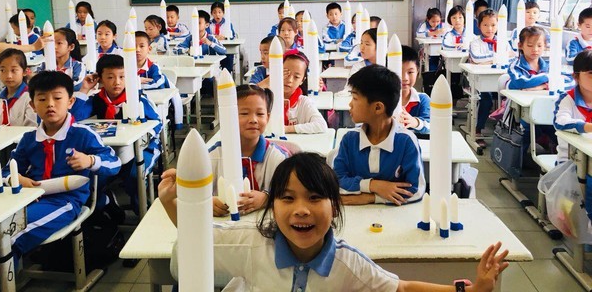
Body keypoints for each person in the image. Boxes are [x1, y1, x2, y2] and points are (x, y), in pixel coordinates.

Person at [158, 152, 509, 291]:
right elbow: (195, 242)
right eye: (287, 198)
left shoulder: (346, 264)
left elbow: (400, 289)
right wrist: (174, 204)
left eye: (314, 198)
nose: (301, 210)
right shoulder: (250, 244)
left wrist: (471, 290)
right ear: (271, 207)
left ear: (336, 208)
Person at [0, 71, 121, 292]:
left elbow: (115, 163)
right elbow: (5, 171)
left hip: (65, 202)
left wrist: (90, 160)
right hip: (28, 199)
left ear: (70, 102)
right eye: (42, 99)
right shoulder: (29, 139)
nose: (50, 104)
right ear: (32, 105)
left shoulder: (83, 134)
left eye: (57, 98)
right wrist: (16, 178)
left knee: (8, 236)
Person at [71, 54, 162, 214]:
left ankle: (142, 209)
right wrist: (84, 89)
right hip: (110, 151)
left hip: (143, 148)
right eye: (110, 77)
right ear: (100, 79)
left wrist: (139, 134)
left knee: (134, 176)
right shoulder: (97, 100)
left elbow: (157, 123)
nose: (117, 82)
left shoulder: (137, 99)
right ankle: (105, 204)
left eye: (122, 77)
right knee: (90, 179)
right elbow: (74, 118)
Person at [333, 65, 425, 205]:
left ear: (378, 107)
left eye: (355, 98)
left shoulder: (406, 141)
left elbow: (416, 190)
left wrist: (371, 198)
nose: (350, 104)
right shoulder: (349, 140)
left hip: (393, 215)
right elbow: (336, 182)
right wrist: (373, 185)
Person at [209, 84, 288, 217]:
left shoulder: (278, 158)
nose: (253, 120)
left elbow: (290, 194)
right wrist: (207, 202)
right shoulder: (214, 155)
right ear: (229, 116)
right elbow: (196, 192)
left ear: (268, 117)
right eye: (244, 113)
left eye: (260, 114)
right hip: (224, 225)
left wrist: (267, 198)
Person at [274, 50, 327, 134]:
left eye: (296, 77)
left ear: (302, 80)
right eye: (286, 73)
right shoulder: (267, 98)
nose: (290, 80)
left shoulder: (303, 102)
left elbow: (321, 125)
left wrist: (286, 129)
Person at [554, 50, 592, 162]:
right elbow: (560, 122)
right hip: (570, 161)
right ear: (576, 76)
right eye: (591, 73)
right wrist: (588, 127)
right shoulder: (567, 99)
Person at [469, 9, 499, 136]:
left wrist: (486, 61)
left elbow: (512, 57)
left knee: (510, 98)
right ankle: (478, 129)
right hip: (479, 80)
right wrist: (496, 58)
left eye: (493, 25)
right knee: (486, 99)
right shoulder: (475, 43)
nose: (489, 29)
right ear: (479, 26)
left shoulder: (502, 42)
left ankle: (506, 130)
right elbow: (476, 58)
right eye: (485, 25)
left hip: (499, 79)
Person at [0, 49, 37, 127]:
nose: (8, 76)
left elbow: (31, 128)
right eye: (3, 70)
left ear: (25, 72)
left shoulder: (30, 98)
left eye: (13, 70)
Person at [399, 46, 431, 136]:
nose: (405, 78)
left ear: (417, 72)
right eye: (399, 72)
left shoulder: (423, 100)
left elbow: (431, 126)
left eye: (410, 72)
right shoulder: (383, 99)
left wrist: (416, 122)